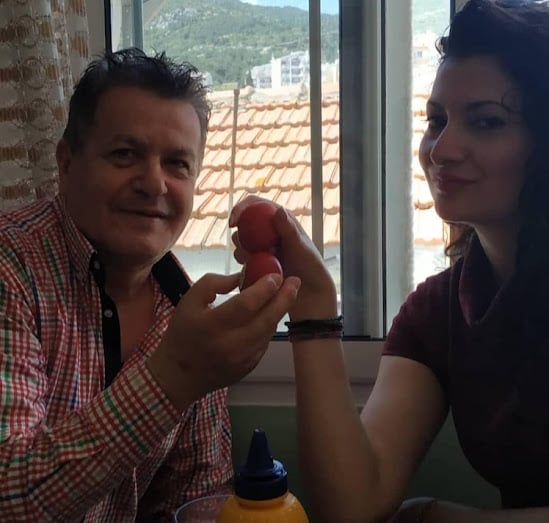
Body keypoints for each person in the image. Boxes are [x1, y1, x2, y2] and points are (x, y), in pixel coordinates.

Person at [230, 0, 549, 521]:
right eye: (437, 120)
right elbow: (354, 502)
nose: (441, 150)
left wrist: (442, 518)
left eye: (486, 122)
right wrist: (313, 308)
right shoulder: (441, 312)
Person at [0, 48, 300, 521]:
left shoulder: (185, 310)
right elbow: (7, 493)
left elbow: (195, 500)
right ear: (66, 161)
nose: (154, 184)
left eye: (177, 164)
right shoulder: (11, 267)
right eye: (125, 154)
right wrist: (173, 377)